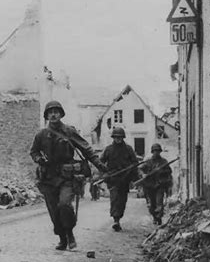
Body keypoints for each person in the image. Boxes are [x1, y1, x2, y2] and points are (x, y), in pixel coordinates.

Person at [30, 100, 107, 250]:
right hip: (48, 177)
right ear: (46, 116)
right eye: (50, 112)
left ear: (61, 114)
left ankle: (70, 233)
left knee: (64, 205)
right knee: (53, 210)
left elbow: (86, 149)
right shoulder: (41, 134)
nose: (53, 114)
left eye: (56, 111)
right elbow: (33, 151)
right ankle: (62, 238)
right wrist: (39, 159)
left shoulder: (69, 131)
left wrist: (99, 164)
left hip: (66, 176)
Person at [100, 127, 138, 231]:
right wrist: (105, 173)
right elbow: (100, 163)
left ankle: (119, 216)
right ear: (113, 137)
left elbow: (135, 163)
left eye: (120, 137)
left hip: (125, 179)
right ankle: (116, 220)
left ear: (123, 137)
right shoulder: (108, 149)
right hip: (113, 179)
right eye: (116, 137)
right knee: (114, 198)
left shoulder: (129, 149)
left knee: (122, 200)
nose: (118, 139)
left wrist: (132, 172)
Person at [139, 143, 173, 225]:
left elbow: (169, 172)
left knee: (159, 203)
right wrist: (143, 174)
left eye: (158, 151)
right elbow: (140, 169)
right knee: (151, 204)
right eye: (154, 151)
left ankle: (159, 217)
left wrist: (161, 171)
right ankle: (155, 217)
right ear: (152, 152)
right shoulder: (148, 162)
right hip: (150, 186)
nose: (156, 153)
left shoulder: (164, 162)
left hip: (159, 185)